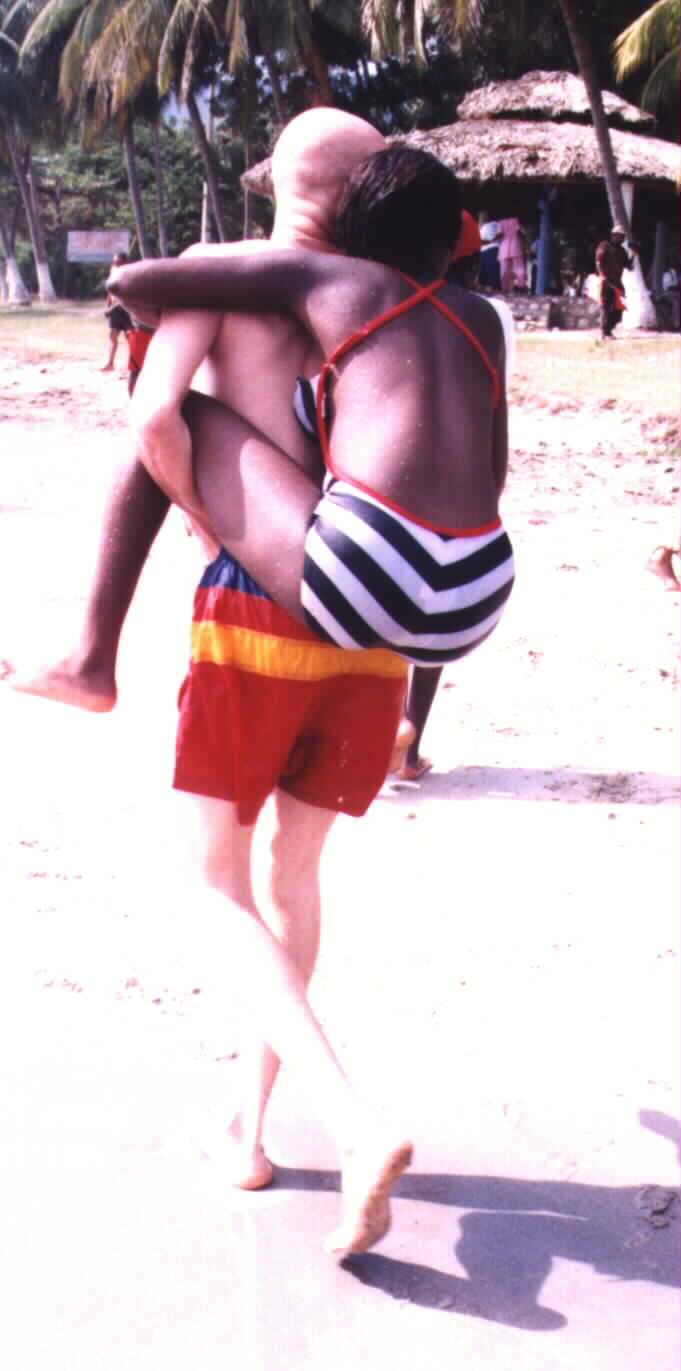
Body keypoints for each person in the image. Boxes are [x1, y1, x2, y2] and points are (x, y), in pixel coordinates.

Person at [9, 110, 420, 1255]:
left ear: (279, 182)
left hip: (254, 615)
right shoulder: (382, 294)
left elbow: (153, 417)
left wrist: (206, 515)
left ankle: (351, 1115)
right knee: (293, 876)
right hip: (370, 631)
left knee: (212, 883)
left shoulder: (228, 282)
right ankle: (248, 1128)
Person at [111, 147, 515, 669]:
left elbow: (127, 283)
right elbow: (494, 471)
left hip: (363, 570)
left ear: (351, 228)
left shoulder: (333, 280)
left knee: (182, 407)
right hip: (480, 590)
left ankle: (92, 656)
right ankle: (409, 729)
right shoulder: (484, 319)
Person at [595, 224, 637, 339]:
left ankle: (609, 329)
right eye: (620, 236)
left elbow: (629, 267)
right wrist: (602, 276)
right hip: (606, 281)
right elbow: (598, 261)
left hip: (617, 282)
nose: (622, 239)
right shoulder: (605, 245)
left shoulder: (622, 251)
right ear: (614, 235)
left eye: (623, 237)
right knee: (606, 307)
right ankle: (604, 332)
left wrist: (633, 254)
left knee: (619, 308)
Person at [101, 252, 133, 371]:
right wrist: (107, 305)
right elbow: (110, 291)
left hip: (126, 309)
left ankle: (134, 364)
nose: (116, 264)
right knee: (112, 336)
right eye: (115, 262)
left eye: (119, 262)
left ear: (125, 262)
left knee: (130, 337)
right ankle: (110, 363)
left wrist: (111, 309)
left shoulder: (129, 273)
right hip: (114, 309)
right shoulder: (113, 270)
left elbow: (127, 296)